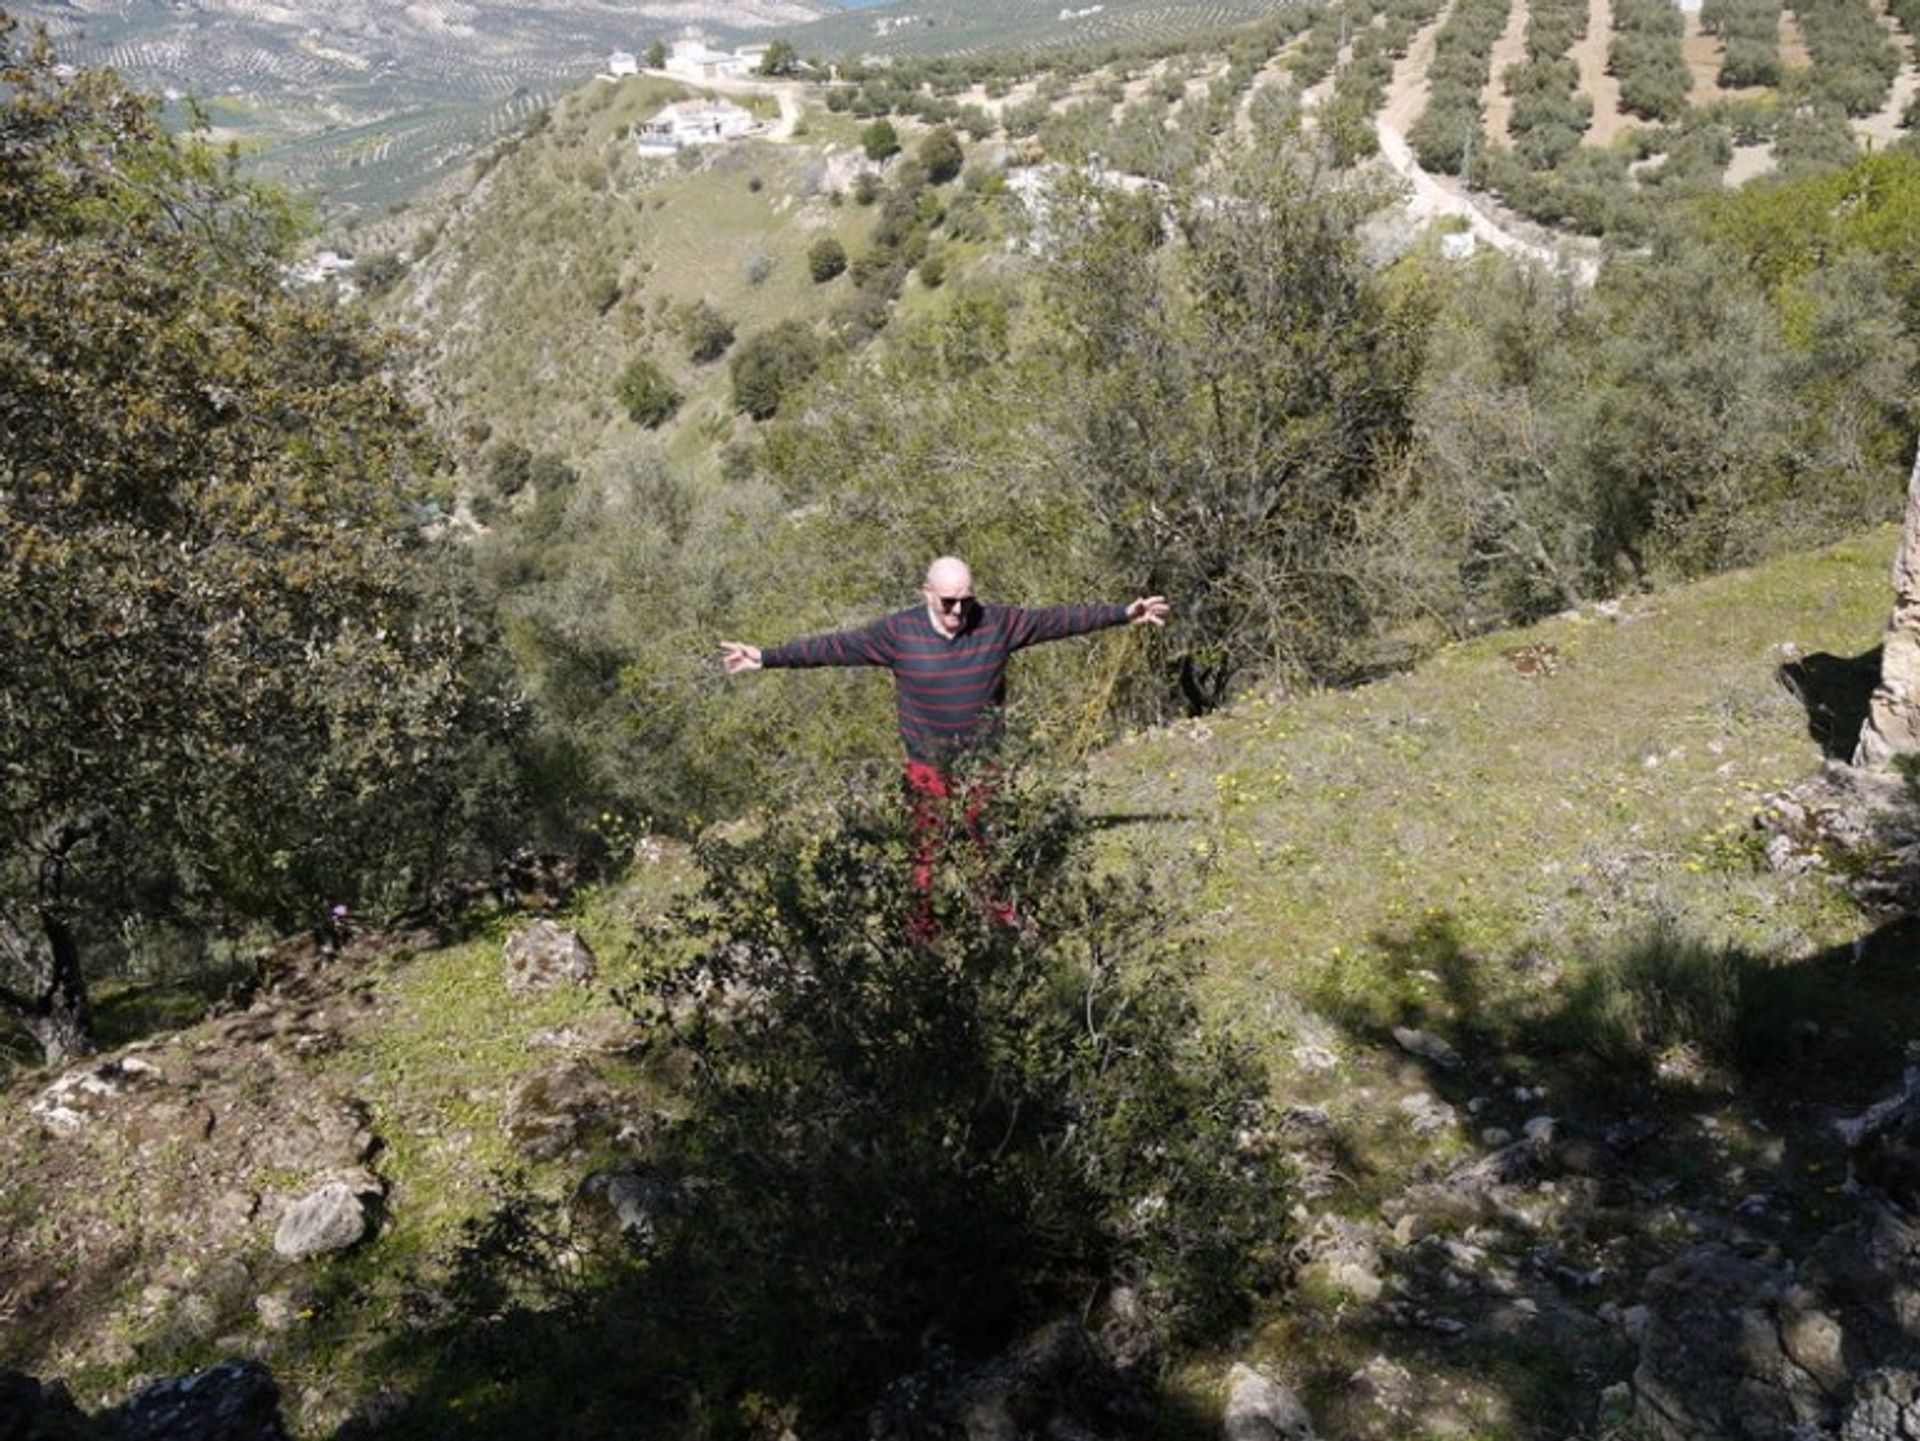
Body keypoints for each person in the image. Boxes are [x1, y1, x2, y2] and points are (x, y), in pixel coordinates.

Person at [720, 556, 1169, 927]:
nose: (958, 611)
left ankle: (998, 916)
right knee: (925, 853)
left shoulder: (997, 624)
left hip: (982, 762)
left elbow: (1056, 620)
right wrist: (766, 658)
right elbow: (834, 648)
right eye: (948, 602)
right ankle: (922, 932)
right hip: (927, 765)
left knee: (987, 842)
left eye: (965, 601)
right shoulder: (898, 634)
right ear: (927, 594)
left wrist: (1122, 614)